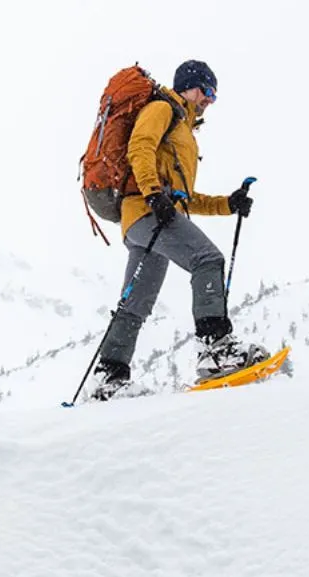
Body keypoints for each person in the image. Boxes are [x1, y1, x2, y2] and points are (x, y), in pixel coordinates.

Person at [89, 59, 267, 401]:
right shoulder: (162, 108)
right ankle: (216, 351)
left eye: (214, 95)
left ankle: (109, 378)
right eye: (207, 91)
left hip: (143, 217)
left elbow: (183, 199)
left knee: (135, 303)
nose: (210, 100)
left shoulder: (184, 131)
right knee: (207, 259)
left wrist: (227, 204)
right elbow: (139, 146)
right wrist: (154, 194)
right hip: (146, 209)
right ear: (189, 85)